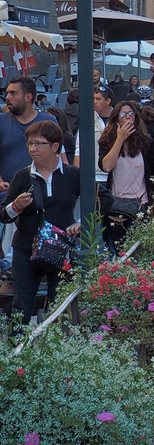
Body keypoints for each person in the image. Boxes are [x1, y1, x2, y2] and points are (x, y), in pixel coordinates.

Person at [5, 121, 81, 319]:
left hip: (61, 248)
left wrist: (80, 223)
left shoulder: (72, 174)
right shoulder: (22, 176)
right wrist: (16, 206)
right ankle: (18, 348)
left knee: (61, 306)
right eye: (30, 144)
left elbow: (102, 200)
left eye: (39, 144)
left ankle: (60, 347)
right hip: (25, 249)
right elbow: (2, 215)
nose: (33, 149)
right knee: (21, 307)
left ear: (55, 147)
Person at [98, 100, 154, 250]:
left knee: (141, 251)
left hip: (141, 203)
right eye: (123, 114)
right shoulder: (107, 140)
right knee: (120, 250)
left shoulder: (145, 140)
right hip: (119, 205)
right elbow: (107, 166)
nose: (128, 117)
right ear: (116, 118)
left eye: (131, 114)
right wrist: (120, 139)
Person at [0, 76, 47, 190]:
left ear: (28, 97)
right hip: (6, 194)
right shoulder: (1, 121)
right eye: (7, 93)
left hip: (41, 192)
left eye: (13, 93)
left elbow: (59, 158)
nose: (7, 97)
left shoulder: (48, 122)